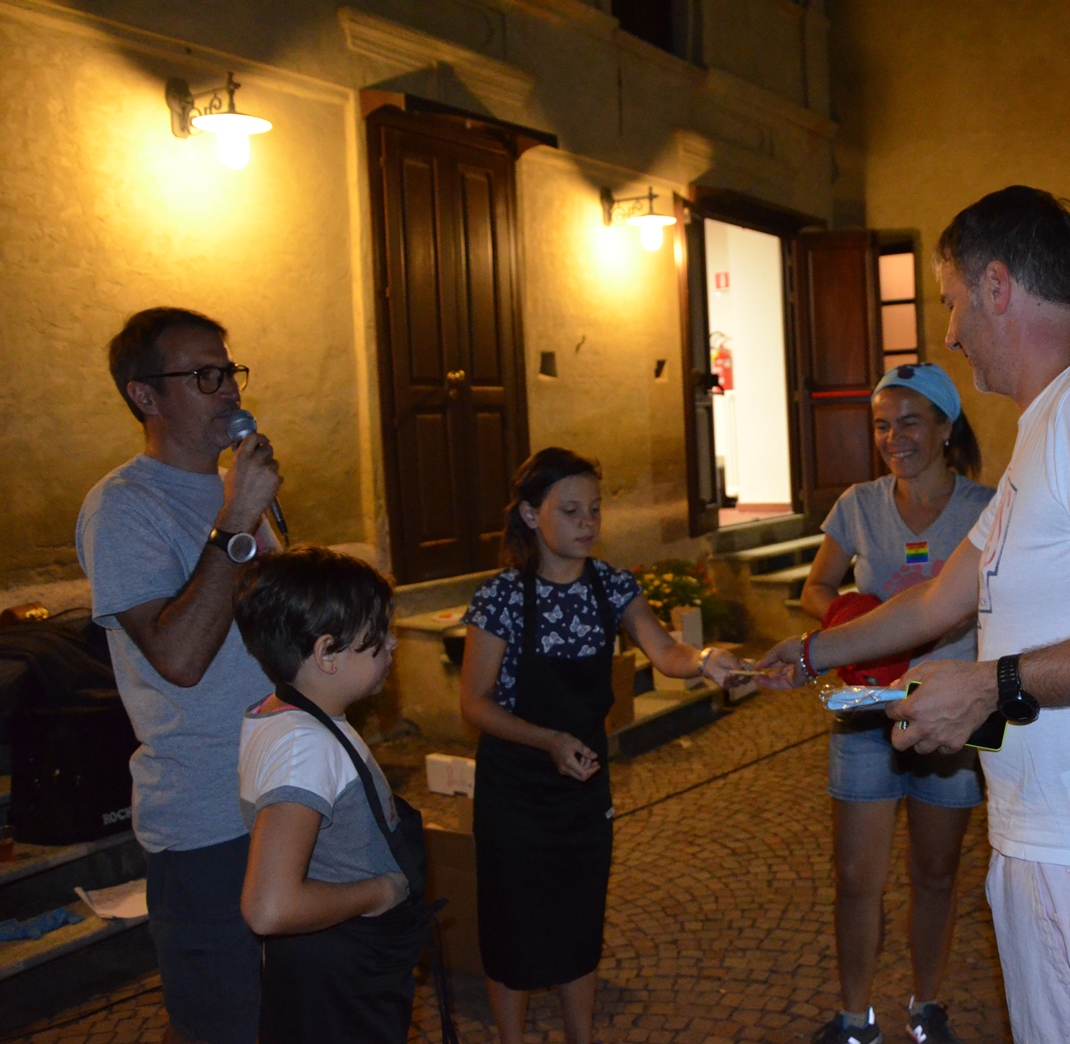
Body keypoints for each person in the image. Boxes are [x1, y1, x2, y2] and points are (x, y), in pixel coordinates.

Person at [759, 186, 1070, 1043]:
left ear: (996, 286)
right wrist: (806, 655)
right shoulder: (1046, 429)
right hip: (1063, 846)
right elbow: (938, 598)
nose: (948, 332)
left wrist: (991, 684)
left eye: (950, 301)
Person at [459, 448, 748, 1044]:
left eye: (594, 509)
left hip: (583, 784)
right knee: (512, 924)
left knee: (579, 919)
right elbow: (476, 703)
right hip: (515, 786)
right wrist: (547, 740)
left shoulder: (612, 587)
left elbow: (665, 651)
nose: (587, 522)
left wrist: (705, 660)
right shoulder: (501, 598)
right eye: (570, 511)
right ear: (531, 515)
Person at [76, 308, 280, 1044]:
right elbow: (179, 659)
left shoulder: (237, 493)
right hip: (209, 818)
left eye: (229, 370)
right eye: (204, 375)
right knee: (224, 1022)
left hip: (285, 791)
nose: (229, 389)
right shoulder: (123, 507)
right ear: (145, 396)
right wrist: (238, 521)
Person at [798, 362, 994, 1044]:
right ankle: (855, 1018)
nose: (893, 438)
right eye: (882, 425)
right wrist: (854, 619)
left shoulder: (988, 508)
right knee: (856, 878)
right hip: (864, 708)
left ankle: (925, 1006)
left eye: (909, 422)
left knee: (936, 873)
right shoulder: (858, 504)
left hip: (954, 711)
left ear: (945, 428)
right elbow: (816, 587)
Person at [232, 547, 425, 1043]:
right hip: (339, 978)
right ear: (326, 654)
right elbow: (269, 906)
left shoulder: (279, 716)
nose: (392, 643)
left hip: (331, 966)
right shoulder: (305, 745)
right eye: (377, 634)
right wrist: (382, 892)